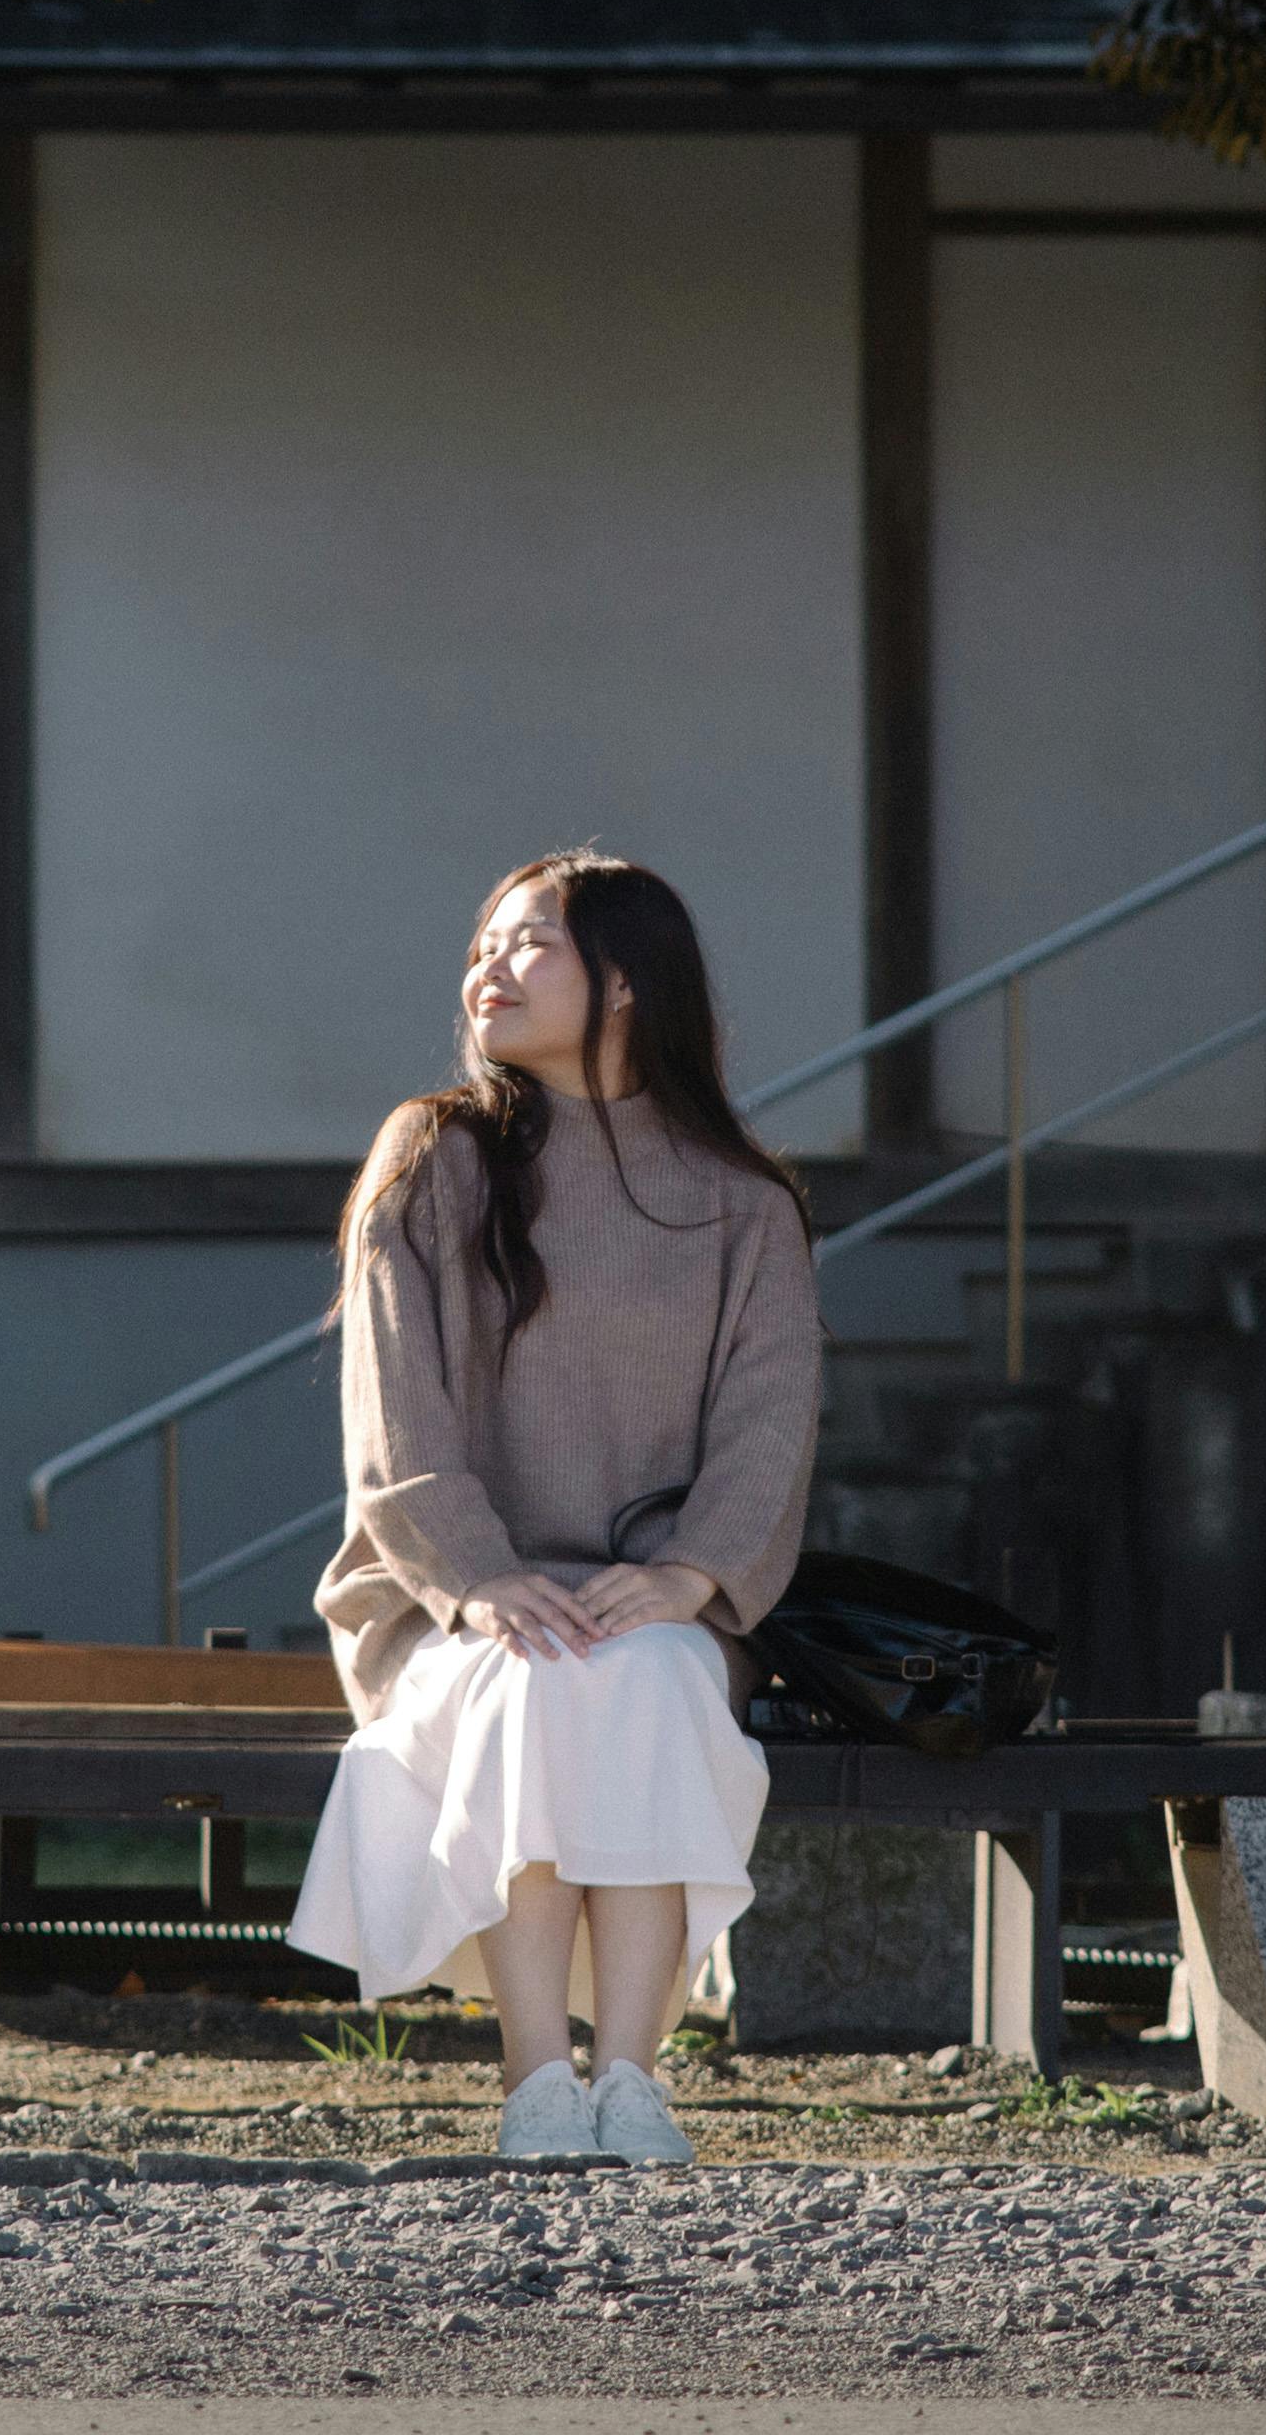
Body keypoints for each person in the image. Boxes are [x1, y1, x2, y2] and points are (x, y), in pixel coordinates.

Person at [285, 851, 824, 2165]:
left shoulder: (744, 1204)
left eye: (532, 944)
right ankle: (538, 2081)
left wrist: (692, 1579)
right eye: (485, 942)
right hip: (445, 1603)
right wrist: (474, 1576)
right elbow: (392, 1415)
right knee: (533, 1681)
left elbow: (769, 1429)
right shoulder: (434, 1158)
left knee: (639, 1680)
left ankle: (631, 2079)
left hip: (665, 1602)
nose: (490, 967)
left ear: (626, 983)